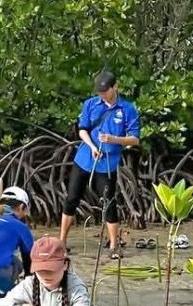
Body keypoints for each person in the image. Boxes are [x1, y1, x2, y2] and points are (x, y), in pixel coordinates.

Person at [60, 71, 141, 258]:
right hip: (84, 159)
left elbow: (135, 139)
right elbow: (82, 130)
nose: (102, 95)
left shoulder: (127, 109)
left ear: (115, 87)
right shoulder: (90, 104)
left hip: (107, 164)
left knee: (108, 203)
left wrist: (114, 139)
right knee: (71, 198)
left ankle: (113, 245)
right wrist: (91, 145)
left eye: (105, 91)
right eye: (99, 92)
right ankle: (62, 242)